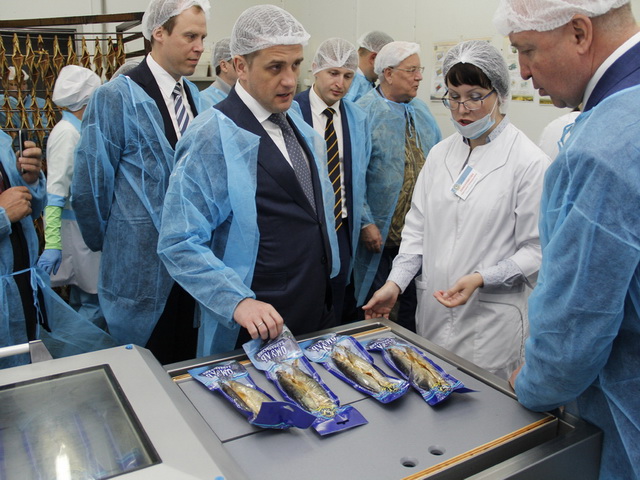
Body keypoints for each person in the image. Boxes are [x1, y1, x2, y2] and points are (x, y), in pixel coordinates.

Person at [494, 0, 640, 477]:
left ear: (579, 32)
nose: (522, 71)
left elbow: (576, 326)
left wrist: (533, 383)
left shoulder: (604, 149)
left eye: (528, 50)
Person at [157, 4, 339, 355]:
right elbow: (178, 241)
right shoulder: (214, 133)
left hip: (314, 308)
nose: (290, 80)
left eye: (296, 65)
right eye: (275, 67)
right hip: (258, 323)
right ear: (240, 66)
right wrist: (237, 301)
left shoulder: (292, 121)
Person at [363, 40, 549, 379]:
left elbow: (536, 251)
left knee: (487, 404)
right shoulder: (440, 155)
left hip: (491, 323)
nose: (462, 108)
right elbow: (416, 231)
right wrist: (395, 283)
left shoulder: (528, 162)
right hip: (433, 314)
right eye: (453, 96)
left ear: (499, 94)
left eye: (475, 96)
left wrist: (483, 278)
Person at [72, 0, 209, 364]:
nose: (199, 47)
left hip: (190, 264)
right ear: (158, 33)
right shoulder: (115, 96)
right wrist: (120, 242)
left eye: (203, 37)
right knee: (146, 367)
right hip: (139, 269)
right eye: (190, 36)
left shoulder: (192, 97)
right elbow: (90, 186)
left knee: (185, 366)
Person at [354, 41, 441, 331]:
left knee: (413, 307)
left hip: (417, 232)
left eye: (420, 69)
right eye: (412, 70)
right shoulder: (363, 113)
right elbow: (352, 175)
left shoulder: (421, 111)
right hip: (380, 234)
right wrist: (366, 222)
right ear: (388, 74)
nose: (419, 77)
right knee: (378, 305)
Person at [294, 38, 371, 323]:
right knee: (304, 298)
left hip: (341, 225)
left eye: (348, 76)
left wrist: (364, 220)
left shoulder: (357, 118)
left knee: (338, 294)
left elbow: (359, 176)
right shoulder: (291, 111)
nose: (340, 83)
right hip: (305, 226)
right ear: (315, 69)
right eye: (333, 73)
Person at [37, 65, 104, 328]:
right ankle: (87, 349)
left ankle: (82, 346)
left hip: (83, 230)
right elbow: (55, 193)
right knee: (92, 301)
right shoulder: (67, 133)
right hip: (75, 231)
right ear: (88, 99)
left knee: (85, 298)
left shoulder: (79, 130)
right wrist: (52, 243)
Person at [344, 30, 394, 102]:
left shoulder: (365, 83)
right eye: (386, 64)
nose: (385, 72)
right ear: (373, 58)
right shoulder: (352, 83)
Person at [200, 38, 237, 109]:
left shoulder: (244, 95)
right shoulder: (204, 100)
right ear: (224, 66)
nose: (245, 68)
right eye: (239, 63)